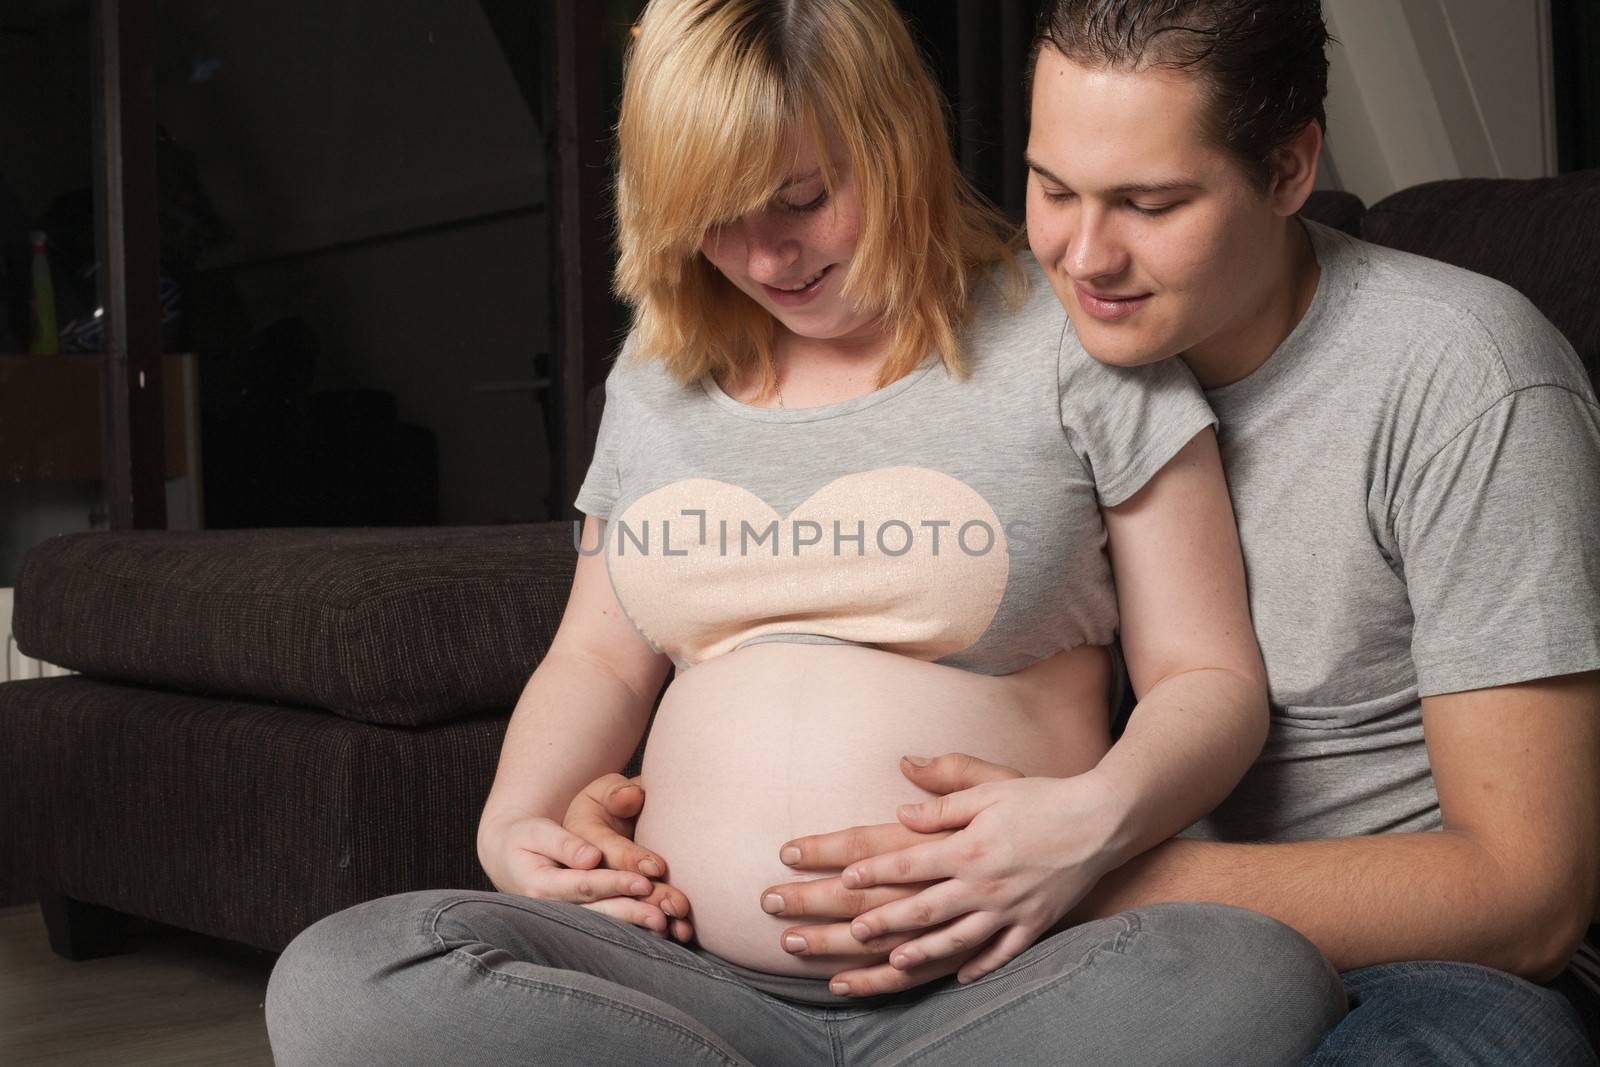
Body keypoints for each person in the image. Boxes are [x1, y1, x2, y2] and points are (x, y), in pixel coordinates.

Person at [263, 0, 1348, 1064]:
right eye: (715, 216)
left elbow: (1208, 676)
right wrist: (515, 823)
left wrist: (1087, 821)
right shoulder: (655, 377)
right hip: (678, 985)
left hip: (999, 973)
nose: (765, 255)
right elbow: (595, 655)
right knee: (345, 974)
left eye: (802, 197)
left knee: (1246, 972)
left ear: (895, 133)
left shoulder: (1074, 340)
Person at [565, 1, 1600, 1063]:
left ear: (1290, 172)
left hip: (1383, 960)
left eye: (1148, 203)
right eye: (1051, 188)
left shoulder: (1465, 375)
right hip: (1063, 960)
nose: (1082, 256)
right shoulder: (1020, 348)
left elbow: (1528, 898)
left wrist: (1060, 864)